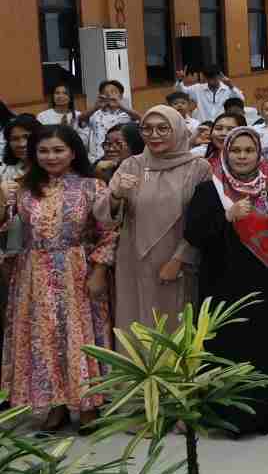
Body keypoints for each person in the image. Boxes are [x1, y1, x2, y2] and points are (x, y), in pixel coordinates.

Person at [0, 125, 115, 434]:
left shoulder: (93, 187)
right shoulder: (22, 189)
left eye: (58, 150)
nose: (51, 157)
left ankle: (89, 404)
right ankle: (56, 405)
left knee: (79, 337)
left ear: (73, 152)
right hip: (33, 274)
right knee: (45, 338)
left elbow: (109, 232)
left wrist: (99, 271)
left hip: (78, 271)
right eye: (43, 151)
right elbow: (5, 228)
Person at [180, 126, 268, 435]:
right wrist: (226, 217)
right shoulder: (209, 189)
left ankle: (263, 415)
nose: (242, 156)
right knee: (226, 347)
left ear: (258, 153)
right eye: (236, 150)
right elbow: (194, 234)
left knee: (265, 348)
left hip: (267, 284)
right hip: (222, 283)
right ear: (225, 152)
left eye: (248, 150)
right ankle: (225, 417)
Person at [97, 105, 212, 329]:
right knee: (137, 323)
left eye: (162, 128)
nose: (154, 135)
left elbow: (202, 221)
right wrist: (117, 195)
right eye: (147, 129)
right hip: (134, 260)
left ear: (178, 130)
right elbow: (104, 217)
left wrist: (179, 260)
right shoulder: (132, 165)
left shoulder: (198, 168)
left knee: (175, 325)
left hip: (177, 260)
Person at [84, 80, 136, 163]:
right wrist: (95, 107)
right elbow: (80, 120)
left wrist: (121, 106)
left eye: (113, 92)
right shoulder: (96, 114)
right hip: (97, 159)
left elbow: (143, 120)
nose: (109, 95)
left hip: (121, 159)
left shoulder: (127, 114)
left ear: (121, 96)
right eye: (105, 93)